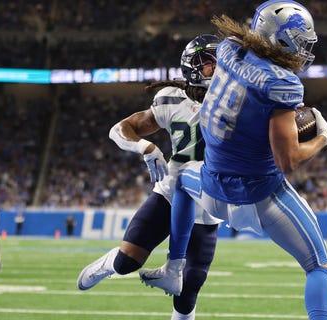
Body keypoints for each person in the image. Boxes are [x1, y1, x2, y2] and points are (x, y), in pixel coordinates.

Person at [139, 2, 327, 319]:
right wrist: (321, 137)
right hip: (260, 196)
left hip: (213, 193)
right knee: (319, 267)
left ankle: (174, 267)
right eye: (299, 40)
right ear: (281, 38)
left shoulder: (229, 51)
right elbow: (288, 161)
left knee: (181, 180)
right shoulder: (283, 84)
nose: (303, 50)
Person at [77, 34, 222, 320]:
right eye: (209, 63)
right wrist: (146, 146)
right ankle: (107, 265)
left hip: (210, 204)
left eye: (222, 62)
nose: (218, 69)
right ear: (192, 67)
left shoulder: (237, 101)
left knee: (189, 288)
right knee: (127, 262)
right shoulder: (171, 99)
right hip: (171, 194)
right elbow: (121, 128)